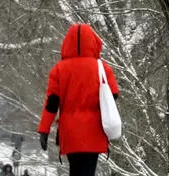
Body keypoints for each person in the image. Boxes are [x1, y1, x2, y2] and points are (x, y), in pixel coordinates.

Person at [36, 24, 119, 176]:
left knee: (75, 170)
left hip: (70, 132)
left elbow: (51, 104)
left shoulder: (59, 70)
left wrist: (44, 130)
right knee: (88, 171)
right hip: (94, 131)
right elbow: (113, 95)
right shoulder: (103, 68)